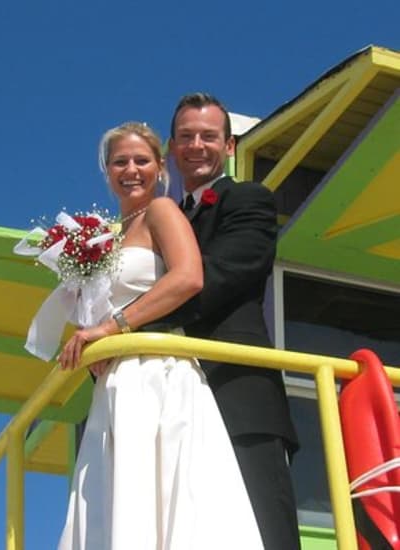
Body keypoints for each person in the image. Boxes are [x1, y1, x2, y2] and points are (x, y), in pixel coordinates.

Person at [57, 122, 264, 549]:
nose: (131, 170)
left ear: (159, 167)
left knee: (167, 499)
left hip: (158, 373)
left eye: (141, 160)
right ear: (106, 170)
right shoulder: (105, 239)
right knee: (113, 504)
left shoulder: (162, 212)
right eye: (120, 162)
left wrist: (112, 327)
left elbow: (189, 277)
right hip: (114, 385)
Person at [143, 93, 301, 549]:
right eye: (187, 136)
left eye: (208, 136)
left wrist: (133, 323)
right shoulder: (161, 220)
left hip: (238, 394)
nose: (197, 145)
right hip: (169, 403)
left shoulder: (250, 198)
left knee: (264, 530)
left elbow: (225, 272)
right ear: (172, 148)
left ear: (229, 147)